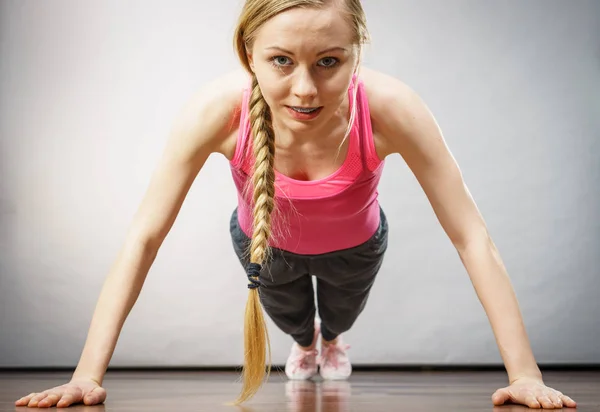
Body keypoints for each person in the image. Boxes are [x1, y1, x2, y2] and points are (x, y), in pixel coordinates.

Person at [15, 0, 577, 409]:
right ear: (249, 55)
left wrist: (525, 374)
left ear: (356, 55)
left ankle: (330, 340)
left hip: (357, 247)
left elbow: (471, 235)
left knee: (341, 315)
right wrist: (86, 374)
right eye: (282, 61)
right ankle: (308, 344)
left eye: (329, 62)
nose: (306, 90)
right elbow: (143, 237)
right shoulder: (216, 111)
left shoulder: (390, 108)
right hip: (265, 246)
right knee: (291, 321)